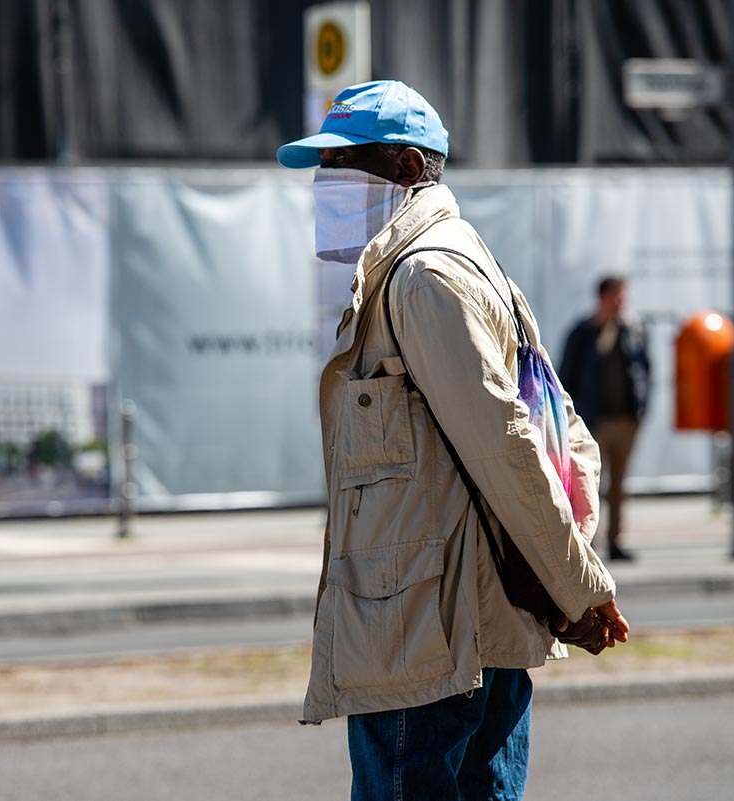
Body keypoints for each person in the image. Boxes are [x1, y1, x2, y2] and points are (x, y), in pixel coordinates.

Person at [277, 79, 629, 801]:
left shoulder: (423, 276)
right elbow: (557, 428)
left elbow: (512, 443)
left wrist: (579, 586)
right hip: (455, 630)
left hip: (432, 646)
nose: (324, 185)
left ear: (407, 168)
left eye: (342, 164)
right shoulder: (449, 262)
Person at [559, 277, 651, 561]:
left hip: (626, 421)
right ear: (603, 297)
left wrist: (640, 410)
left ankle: (615, 542)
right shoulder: (583, 332)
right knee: (589, 484)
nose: (622, 302)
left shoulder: (632, 330)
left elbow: (646, 371)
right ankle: (589, 542)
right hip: (593, 424)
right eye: (617, 296)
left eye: (624, 296)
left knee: (619, 486)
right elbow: (566, 376)